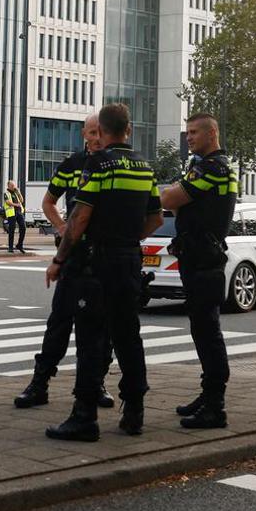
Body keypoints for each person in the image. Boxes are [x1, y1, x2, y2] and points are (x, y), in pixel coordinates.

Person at [44, 103, 161, 442]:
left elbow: (79, 219)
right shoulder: (143, 167)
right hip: (129, 262)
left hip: (98, 264)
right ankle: (134, 411)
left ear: (105, 131)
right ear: (129, 129)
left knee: (92, 338)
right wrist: (128, 239)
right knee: (128, 336)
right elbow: (154, 218)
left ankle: (84, 417)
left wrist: (60, 260)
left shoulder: (98, 165)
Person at [14, 115, 113, 411]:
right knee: (59, 321)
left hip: (103, 255)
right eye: (92, 132)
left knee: (103, 328)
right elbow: (49, 201)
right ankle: (40, 383)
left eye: (101, 132)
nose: (96, 138)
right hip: (74, 255)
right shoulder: (71, 164)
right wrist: (61, 227)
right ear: (84, 133)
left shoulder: (111, 164)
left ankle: (97, 383)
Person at [160, 113, 238, 430]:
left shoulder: (212, 168)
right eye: (187, 132)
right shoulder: (207, 167)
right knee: (202, 330)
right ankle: (207, 396)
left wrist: (180, 197)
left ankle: (215, 407)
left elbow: (169, 198)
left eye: (194, 132)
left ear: (212, 133)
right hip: (199, 256)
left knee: (208, 334)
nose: (189, 137)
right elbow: (176, 203)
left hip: (204, 259)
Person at [2, 180, 26, 252]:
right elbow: (7, 202)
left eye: (14, 185)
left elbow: (21, 200)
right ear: (8, 186)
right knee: (12, 230)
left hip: (19, 212)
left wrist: (19, 192)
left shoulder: (16, 193)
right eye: (12, 185)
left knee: (23, 228)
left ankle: (19, 245)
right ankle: (10, 247)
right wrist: (16, 205)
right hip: (12, 213)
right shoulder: (6, 193)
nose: (13, 186)